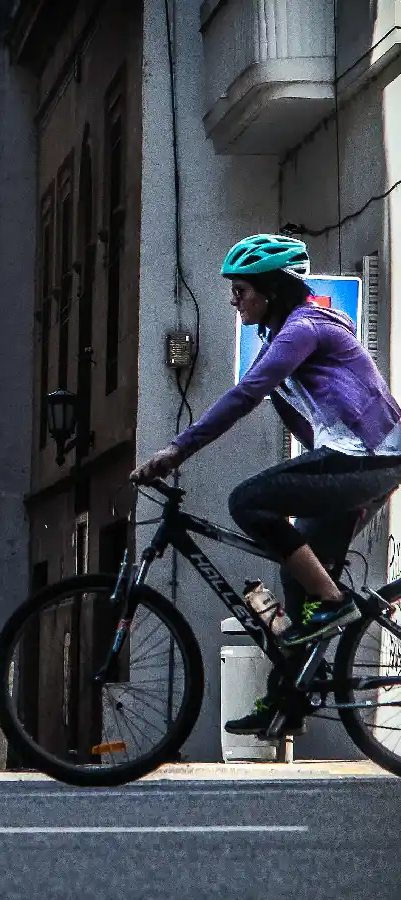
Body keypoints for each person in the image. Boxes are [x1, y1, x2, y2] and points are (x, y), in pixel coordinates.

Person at [132, 233, 401, 736]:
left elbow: (246, 395)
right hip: (353, 462)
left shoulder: (307, 327)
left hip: (367, 457)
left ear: (271, 289)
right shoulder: (279, 336)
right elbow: (295, 413)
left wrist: (176, 450)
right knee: (297, 591)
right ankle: (288, 701)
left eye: (241, 290)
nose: (234, 299)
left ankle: (337, 602)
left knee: (248, 501)